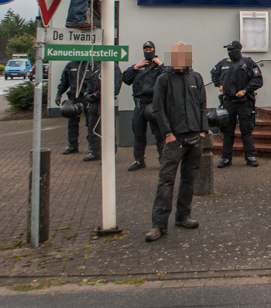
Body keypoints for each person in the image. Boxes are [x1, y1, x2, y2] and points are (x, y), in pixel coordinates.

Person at [146, 42, 208, 242]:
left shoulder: (196, 78)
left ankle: (183, 216)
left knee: (189, 179)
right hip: (175, 139)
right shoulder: (163, 79)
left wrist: (202, 131)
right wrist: (168, 134)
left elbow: (202, 105)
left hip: (195, 138)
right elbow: (158, 109)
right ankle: (159, 225)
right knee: (166, 181)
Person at [210, 41, 263, 167]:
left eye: (231, 50)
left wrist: (245, 90)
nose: (229, 52)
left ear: (238, 50)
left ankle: (250, 156)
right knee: (228, 131)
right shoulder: (223, 63)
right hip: (228, 102)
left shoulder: (248, 62)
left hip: (244, 102)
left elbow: (258, 80)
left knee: (246, 130)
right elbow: (214, 73)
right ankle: (226, 157)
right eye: (228, 50)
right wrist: (219, 84)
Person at [122, 41, 166, 171]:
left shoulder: (160, 67)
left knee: (159, 134)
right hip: (140, 104)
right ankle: (139, 160)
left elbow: (168, 77)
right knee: (138, 133)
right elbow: (125, 79)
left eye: (150, 49)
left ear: (154, 50)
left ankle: (163, 160)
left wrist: (160, 63)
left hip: (154, 104)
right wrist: (135, 66)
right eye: (146, 50)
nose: (148, 52)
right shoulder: (139, 67)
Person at [80, 60, 123, 162]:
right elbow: (90, 81)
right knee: (92, 127)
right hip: (94, 104)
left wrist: (96, 95)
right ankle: (95, 152)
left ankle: (109, 155)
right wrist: (88, 94)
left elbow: (114, 86)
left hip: (105, 102)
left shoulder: (113, 67)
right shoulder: (98, 67)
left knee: (107, 129)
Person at [55, 60, 94, 156]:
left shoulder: (92, 64)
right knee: (72, 122)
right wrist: (59, 93)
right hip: (74, 97)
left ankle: (92, 146)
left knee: (90, 122)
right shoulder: (71, 65)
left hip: (88, 98)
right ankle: (72, 145)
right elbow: (64, 81)